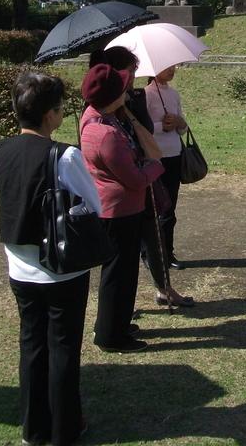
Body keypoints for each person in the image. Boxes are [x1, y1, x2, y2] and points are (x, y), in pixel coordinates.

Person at [0, 72, 99, 446]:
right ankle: (64, 429)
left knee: (32, 345)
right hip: (61, 269)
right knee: (63, 348)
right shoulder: (64, 155)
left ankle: (33, 428)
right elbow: (94, 205)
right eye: (60, 108)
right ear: (51, 115)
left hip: (18, 266)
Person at [86, 48, 193, 310]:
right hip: (122, 185)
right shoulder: (102, 105)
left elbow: (145, 129)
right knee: (122, 255)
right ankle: (120, 308)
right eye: (130, 70)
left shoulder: (133, 98)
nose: (134, 75)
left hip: (143, 174)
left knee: (154, 234)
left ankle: (164, 288)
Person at [80, 63, 168, 353]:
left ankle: (115, 323)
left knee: (119, 271)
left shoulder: (97, 117)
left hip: (114, 207)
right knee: (119, 274)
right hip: (120, 210)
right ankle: (110, 335)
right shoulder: (106, 134)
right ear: (112, 96)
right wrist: (155, 167)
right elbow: (135, 179)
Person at [145, 65, 188, 269]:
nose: (172, 69)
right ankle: (152, 253)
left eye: (173, 66)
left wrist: (178, 121)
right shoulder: (146, 95)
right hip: (156, 158)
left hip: (175, 156)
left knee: (170, 207)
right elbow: (143, 128)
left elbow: (183, 129)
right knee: (156, 208)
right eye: (167, 67)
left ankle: (167, 251)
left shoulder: (174, 94)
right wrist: (163, 125)